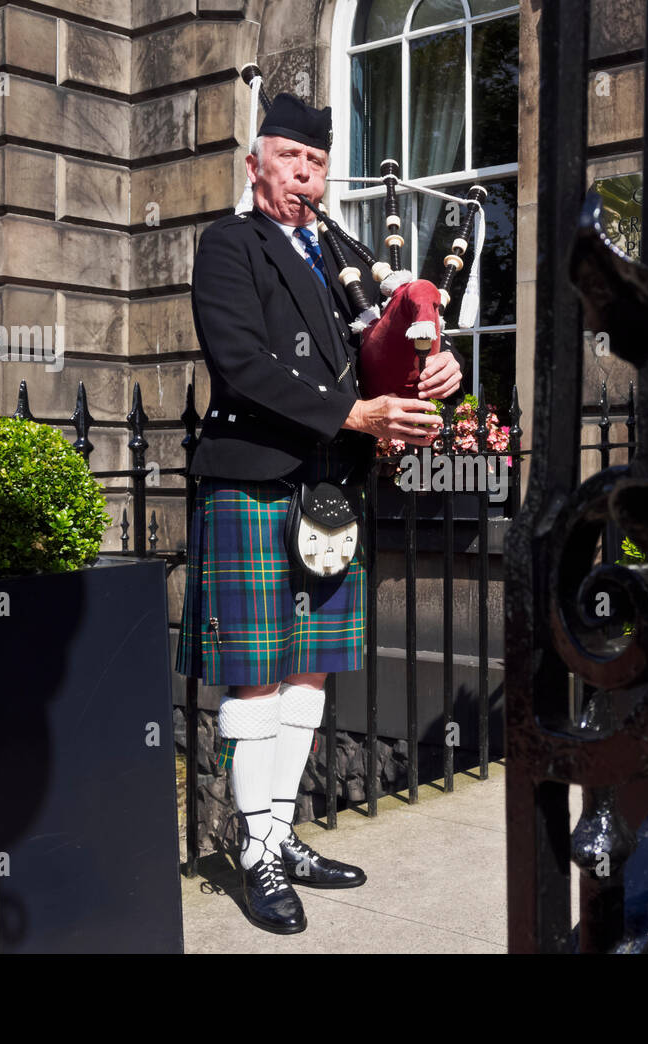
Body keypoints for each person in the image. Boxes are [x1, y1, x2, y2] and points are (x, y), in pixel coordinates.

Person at [175, 93, 463, 935]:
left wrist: (436, 371)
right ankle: (256, 850)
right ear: (257, 162)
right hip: (257, 480)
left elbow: (387, 352)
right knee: (258, 673)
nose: (307, 175)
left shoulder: (345, 256)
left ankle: (281, 831)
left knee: (308, 669)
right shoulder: (230, 246)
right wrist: (355, 416)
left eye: (317, 163)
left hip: (330, 488)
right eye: (292, 160)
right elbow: (241, 365)